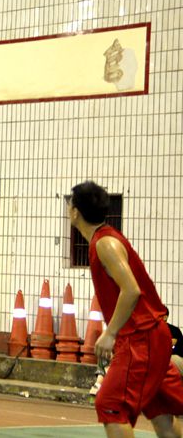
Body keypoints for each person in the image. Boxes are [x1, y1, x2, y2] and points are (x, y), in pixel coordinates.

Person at [68, 181, 183, 437]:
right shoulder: (105, 239)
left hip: (142, 338)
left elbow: (131, 290)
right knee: (162, 415)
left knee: (110, 404)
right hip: (150, 338)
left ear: (75, 212)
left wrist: (110, 333)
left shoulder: (105, 244)